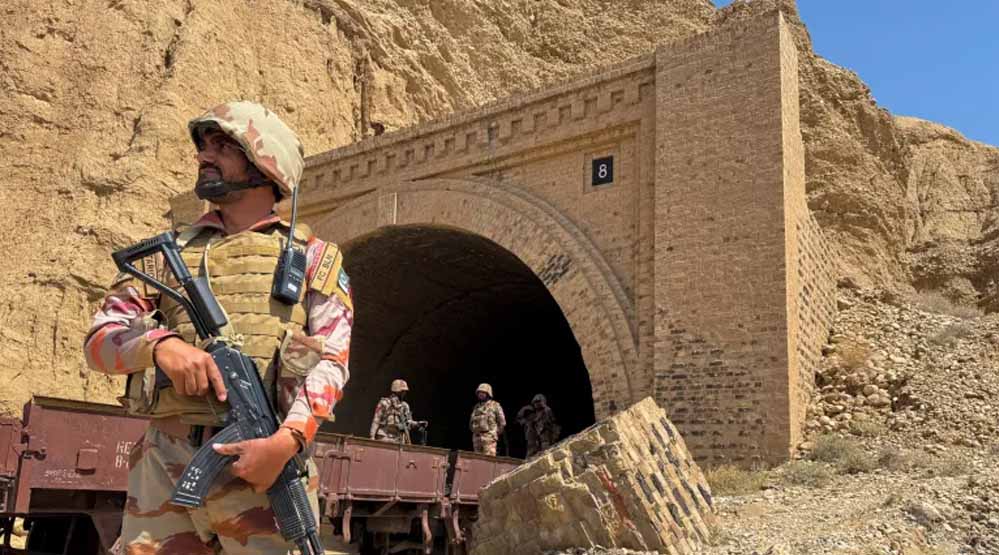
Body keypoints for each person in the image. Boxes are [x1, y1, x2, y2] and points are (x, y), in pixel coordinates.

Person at [84, 101, 353, 555]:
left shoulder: (313, 259)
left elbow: (332, 362)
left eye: (224, 146)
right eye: (204, 146)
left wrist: (285, 443)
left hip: (265, 467)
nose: (204, 156)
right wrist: (161, 346)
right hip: (164, 467)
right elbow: (100, 340)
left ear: (266, 163)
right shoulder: (165, 256)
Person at [370, 379, 426, 444]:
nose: (404, 393)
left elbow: (408, 422)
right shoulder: (384, 403)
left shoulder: (405, 406)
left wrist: (417, 424)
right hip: (384, 437)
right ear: (396, 391)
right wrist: (372, 437)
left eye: (404, 391)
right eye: (402, 391)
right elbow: (376, 420)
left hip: (399, 439)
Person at [469, 383, 505, 456]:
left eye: (483, 392)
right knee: (476, 459)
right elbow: (471, 422)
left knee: (488, 460)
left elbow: (502, 422)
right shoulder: (476, 407)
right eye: (479, 392)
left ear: (488, 393)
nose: (480, 394)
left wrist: (493, 434)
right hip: (477, 438)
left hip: (489, 438)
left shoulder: (495, 405)